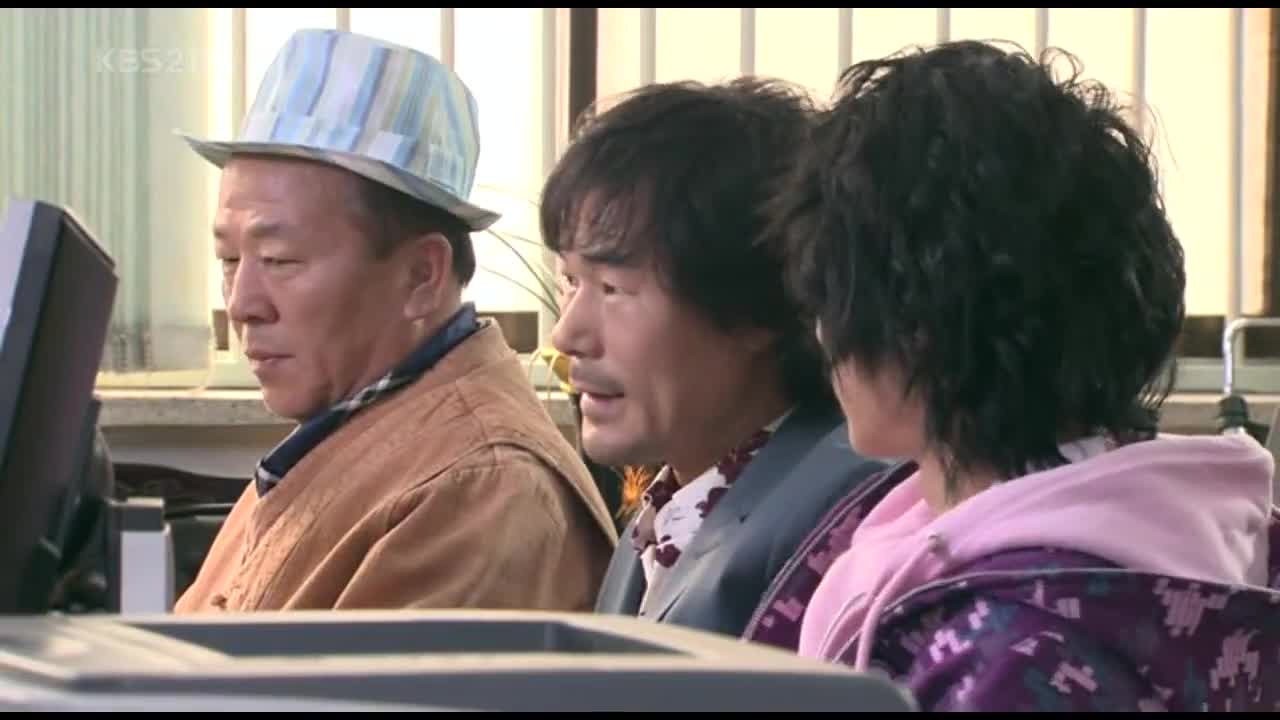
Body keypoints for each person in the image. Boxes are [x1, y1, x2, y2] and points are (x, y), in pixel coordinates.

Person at [745, 41, 1280, 711]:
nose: (823, 333)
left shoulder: (1015, 657)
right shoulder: (1195, 533)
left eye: (833, 296)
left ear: (921, 326)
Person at [172, 29, 617, 613]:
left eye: (279, 260)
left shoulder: (480, 488)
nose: (241, 304)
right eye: (229, 260)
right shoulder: (345, 431)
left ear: (421, 276)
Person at [541, 77, 886, 639]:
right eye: (569, 281)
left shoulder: (838, 538)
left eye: (614, 289)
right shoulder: (675, 504)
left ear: (754, 310)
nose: (567, 333)